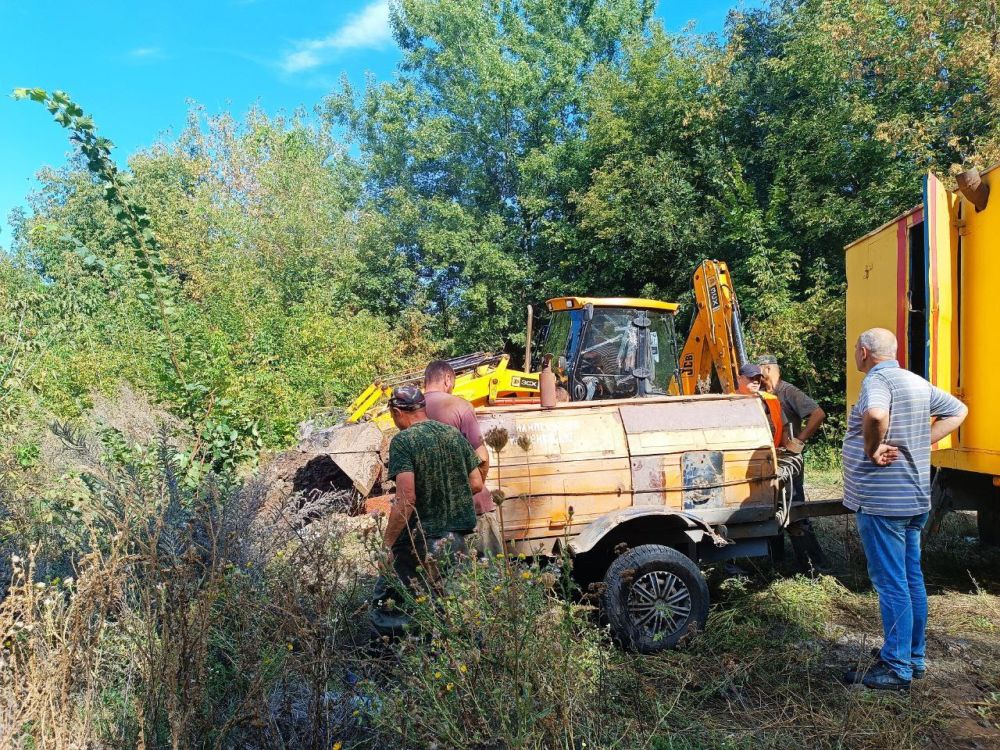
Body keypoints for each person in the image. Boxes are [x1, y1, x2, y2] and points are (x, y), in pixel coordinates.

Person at [842, 328, 967, 690]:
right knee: (911, 580)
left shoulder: (878, 381)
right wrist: (922, 440)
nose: (855, 354)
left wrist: (872, 448)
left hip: (884, 504)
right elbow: (959, 410)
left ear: (864, 352)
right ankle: (912, 656)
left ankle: (896, 667)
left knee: (891, 583)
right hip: (913, 501)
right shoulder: (915, 381)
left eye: (855, 349)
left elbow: (877, 415)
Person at [381, 385, 484, 593]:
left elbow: (406, 498)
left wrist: (386, 545)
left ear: (397, 412)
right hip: (458, 539)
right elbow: (476, 483)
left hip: (423, 541)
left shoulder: (403, 441)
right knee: (452, 602)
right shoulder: (452, 434)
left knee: (396, 601)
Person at [423, 360, 503, 555]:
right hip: (473, 508)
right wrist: (476, 486)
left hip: (431, 516)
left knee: (444, 579)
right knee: (487, 574)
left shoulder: (410, 411)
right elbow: (482, 457)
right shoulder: (458, 406)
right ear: (448, 379)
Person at [758, 354, 829, 572]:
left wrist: (798, 440)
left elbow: (818, 414)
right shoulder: (762, 395)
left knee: (794, 508)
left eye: (758, 370)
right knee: (771, 509)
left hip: (788, 462)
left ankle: (814, 565)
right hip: (769, 461)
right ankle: (776, 562)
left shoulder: (787, 391)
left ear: (768, 369)